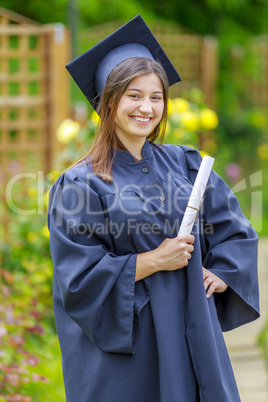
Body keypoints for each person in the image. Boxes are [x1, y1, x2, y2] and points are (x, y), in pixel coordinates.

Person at [48, 15, 259, 402]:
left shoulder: (185, 164)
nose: (146, 108)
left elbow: (234, 228)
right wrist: (156, 260)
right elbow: (77, 280)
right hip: (132, 342)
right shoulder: (81, 184)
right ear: (108, 101)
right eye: (134, 95)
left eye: (156, 97)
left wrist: (226, 272)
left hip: (192, 326)